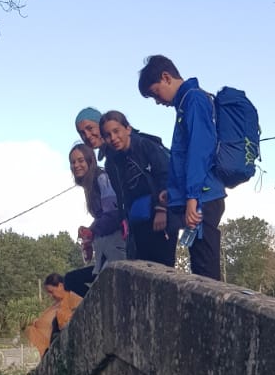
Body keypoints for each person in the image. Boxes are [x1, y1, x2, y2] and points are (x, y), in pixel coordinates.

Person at [137, 56, 226, 282]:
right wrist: (173, 191)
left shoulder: (193, 100)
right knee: (199, 267)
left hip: (202, 198)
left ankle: (210, 317)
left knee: (206, 274)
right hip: (195, 197)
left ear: (166, 77)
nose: (158, 101)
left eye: (156, 93)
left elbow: (199, 151)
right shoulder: (186, 103)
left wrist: (192, 199)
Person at [99, 110, 176, 268]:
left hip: (161, 215)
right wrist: (124, 221)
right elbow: (121, 196)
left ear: (128, 129)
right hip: (137, 222)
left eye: (116, 131)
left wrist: (162, 210)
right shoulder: (111, 163)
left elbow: (166, 176)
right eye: (107, 135)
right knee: (143, 271)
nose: (113, 138)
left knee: (163, 268)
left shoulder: (145, 145)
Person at [69, 142, 127, 276]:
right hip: (106, 248)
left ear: (91, 160)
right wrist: (88, 234)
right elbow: (102, 216)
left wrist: (91, 231)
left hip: (116, 246)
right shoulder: (89, 184)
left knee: (75, 280)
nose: (76, 165)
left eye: (80, 160)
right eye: (72, 162)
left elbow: (113, 214)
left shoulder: (102, 178)